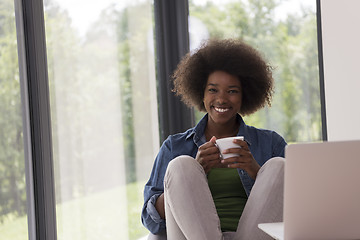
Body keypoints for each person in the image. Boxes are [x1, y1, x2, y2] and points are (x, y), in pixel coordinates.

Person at [141, 38, 287, 240]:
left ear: (245, 96)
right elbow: (150, 221)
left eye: (232, 91)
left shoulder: (271, 143)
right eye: (213, 89)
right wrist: (196, 171)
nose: (221, 99)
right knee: (182, 164)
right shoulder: (175, 146)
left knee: (279, 165)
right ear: (201, 93)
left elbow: (300, 208)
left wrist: (256, 171)